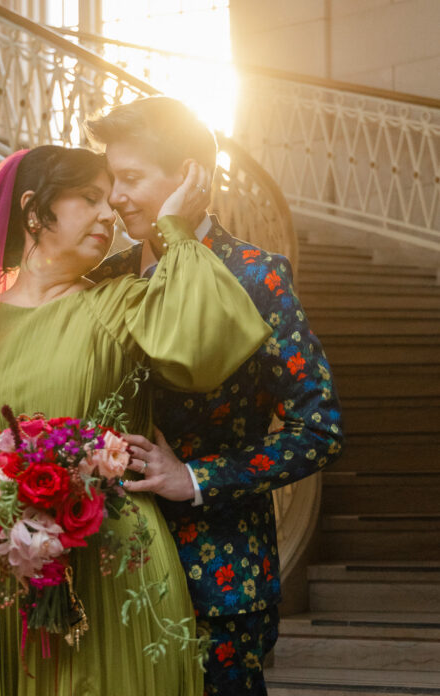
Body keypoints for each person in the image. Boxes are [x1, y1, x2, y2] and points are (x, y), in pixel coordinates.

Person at [0, 144, 272, 696]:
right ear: (34, 210)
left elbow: (209, 345)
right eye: (89, 198)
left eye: (109, 199)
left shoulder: (125, 302)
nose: (109, 213)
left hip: (113, 563)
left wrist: (175, 230)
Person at [85, 98, 344, 696]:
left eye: (131, 179)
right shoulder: (107, 276)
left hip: (221, 575)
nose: (116, 197)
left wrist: (196, 478)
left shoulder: (256, 274)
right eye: (110, 180)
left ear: (188, 176)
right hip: (114, 567)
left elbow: (320, 428)